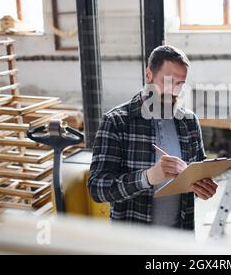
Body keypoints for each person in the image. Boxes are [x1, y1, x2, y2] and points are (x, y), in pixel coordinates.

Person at [89, 45, 218, 231]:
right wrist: (148, 177)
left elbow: (197, 170)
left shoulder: (189, 121)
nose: (174, 91)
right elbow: (97, 188)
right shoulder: (116, 122)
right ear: (148, 75)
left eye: (180, 83)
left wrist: (203, 186)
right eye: (168, 82)